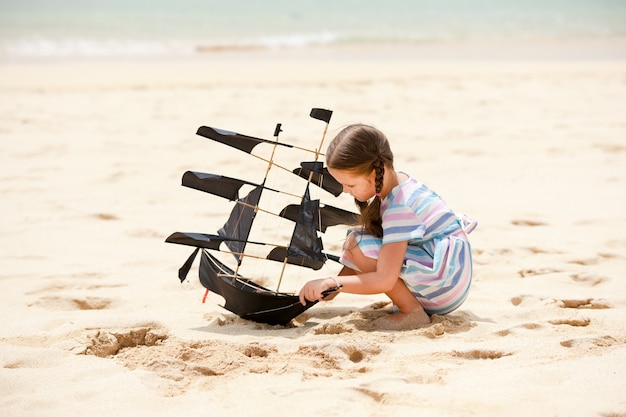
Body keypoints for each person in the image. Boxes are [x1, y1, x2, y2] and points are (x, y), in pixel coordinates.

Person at [298, 124, 477, 326]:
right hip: (449, 278)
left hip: (444, 286)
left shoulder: (399, 206)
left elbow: (384, 279)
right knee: (355, 241)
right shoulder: (398, 183)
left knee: (358, 244)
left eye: (351, 185)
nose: (346, 191)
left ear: (375, 172)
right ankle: (409, 304)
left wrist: (335, 284)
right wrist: (330, 290)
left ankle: (412, 311)